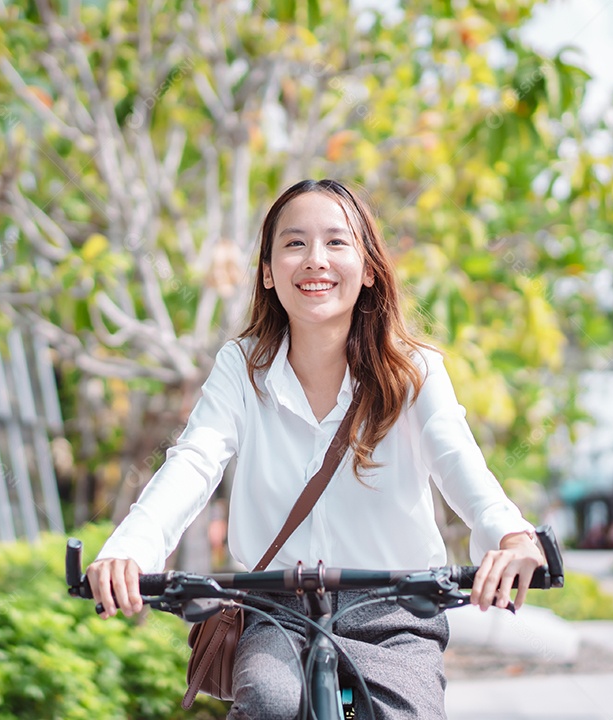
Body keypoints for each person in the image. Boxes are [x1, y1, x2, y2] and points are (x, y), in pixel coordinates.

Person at [87, 179, 545, 719]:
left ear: (369, 267)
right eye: (294, 243)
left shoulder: (414, 371)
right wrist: (131, 549)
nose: (314, 260)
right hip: (276, 610)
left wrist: (511, 535)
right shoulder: (242, 367)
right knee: (269, 702)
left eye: (336, 242)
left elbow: (457, 459)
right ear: (266, 270)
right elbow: (194, 459)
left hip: (396, 610)